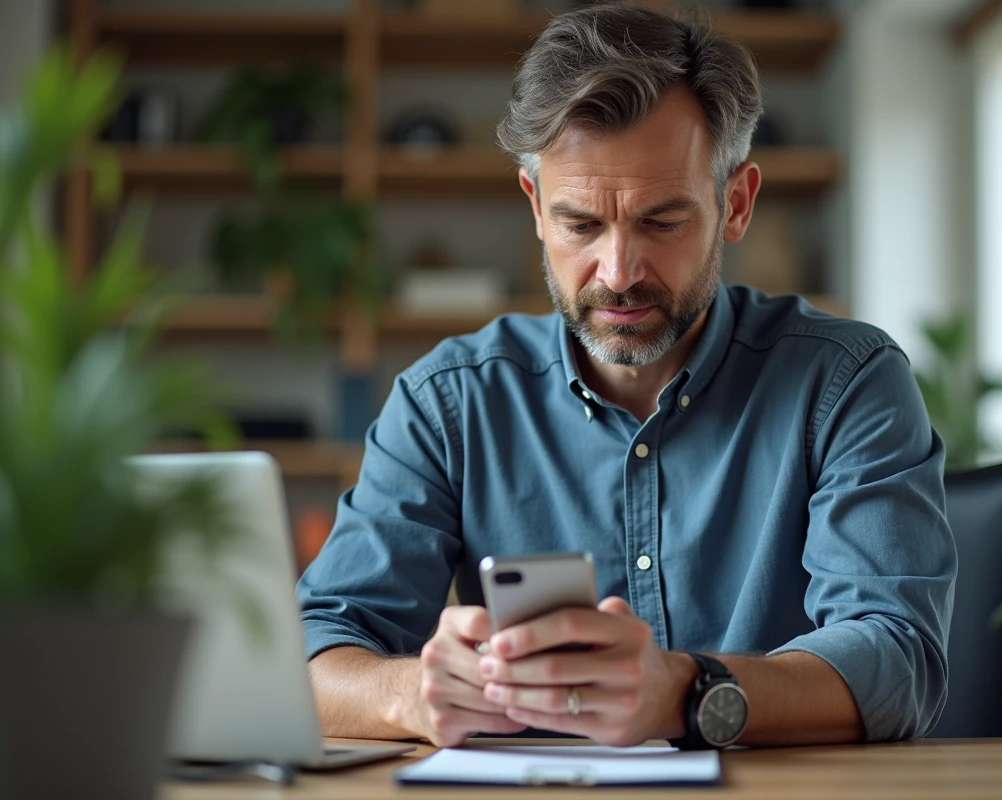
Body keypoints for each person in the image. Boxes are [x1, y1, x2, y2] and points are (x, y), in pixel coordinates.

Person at [298, 2, 957, 750]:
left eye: (663, 221)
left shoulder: (846, 383)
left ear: (734, 203)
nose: (618, 274)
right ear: (536, 209)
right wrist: (409, 693)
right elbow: (314, 651)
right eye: (581, 224)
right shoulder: (446, 403)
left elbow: (900, 659)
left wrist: (688, 692)